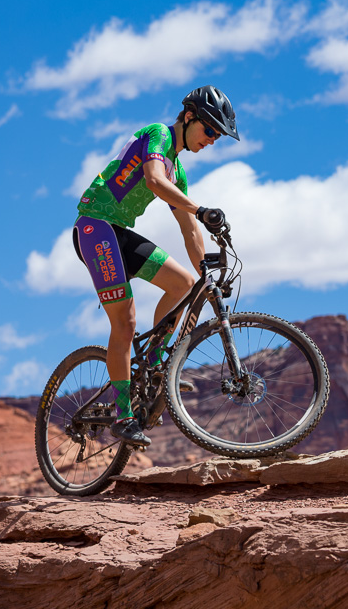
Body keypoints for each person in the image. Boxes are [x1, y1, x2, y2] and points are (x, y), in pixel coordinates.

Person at [72, 85, 238, 447]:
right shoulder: (159, 135)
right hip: (94, 226)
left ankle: (154, 366)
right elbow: (153, 180)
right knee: (126, 321)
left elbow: (188, 228)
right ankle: (123, 414)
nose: (212, 141)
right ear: (190, 116)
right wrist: (200, 208)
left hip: (118, 232)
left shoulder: (178, 169)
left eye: (218, 137)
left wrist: (205, 272)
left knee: (183, 283)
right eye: (210, 130)